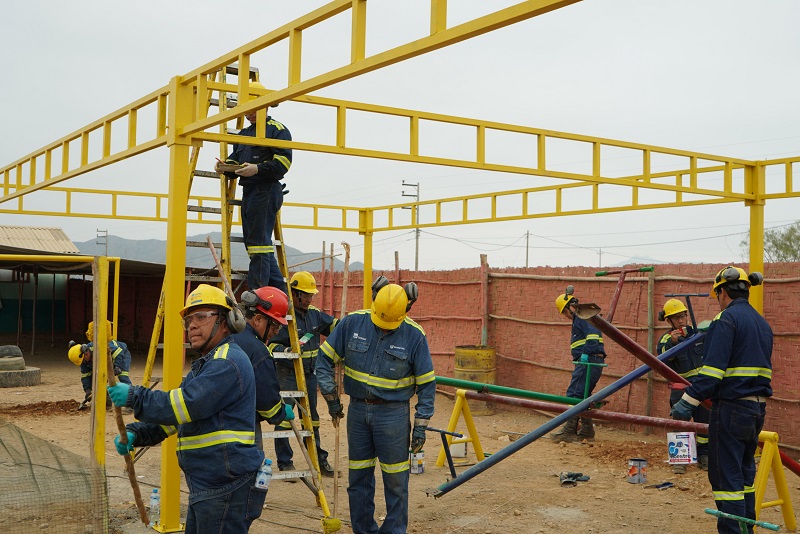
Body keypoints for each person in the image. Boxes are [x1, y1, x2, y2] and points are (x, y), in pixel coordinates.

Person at [107, 284, 266, 533]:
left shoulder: (227, 362)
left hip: (226, 487)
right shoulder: (206, 365)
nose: (192, 325)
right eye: (189, 320)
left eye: (201, 317)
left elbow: (186, 404)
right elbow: (178, 419)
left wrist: (134, 397)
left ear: (227, 322)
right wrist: (138, 433)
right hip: (210, 484)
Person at [317, 277, 434, 534]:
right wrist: (331, 398)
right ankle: (363, 530)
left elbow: (427, 385)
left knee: (395, 481)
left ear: (407, 311)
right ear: (373, 302)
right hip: (358, 412)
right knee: (358, 478)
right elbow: (323, 360)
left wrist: (421, 427)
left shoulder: (415, 336)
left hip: (393, 415)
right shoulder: (352, 323)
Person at [671, 266, 772, 534]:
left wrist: (687, 402)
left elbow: (712, 373)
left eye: (717, 295)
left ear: (723, 292)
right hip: (757, 409)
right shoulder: (762, 324)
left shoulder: (725, 320)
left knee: (726, 478)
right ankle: (746, 528)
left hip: (731, 409)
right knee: (744, 473)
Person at [214, 81, 291, 293]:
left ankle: (258, 294)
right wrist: (224, 167)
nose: (247, 113)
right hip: (249, 192)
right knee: (256, 245)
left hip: (266, 191)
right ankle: (278, 292)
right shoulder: (243, 136)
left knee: (259, 244)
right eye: (244, 108)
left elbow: (283, 163)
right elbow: (235, 160)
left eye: (251, 108)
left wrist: (257, 169)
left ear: (263, 105)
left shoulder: (278, 130)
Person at [267, 271, 338, 477]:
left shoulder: (315, 314)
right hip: (287, 374)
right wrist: (286, 353)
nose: (309, 299)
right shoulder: (285, 316)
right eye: (305, 295)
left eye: (311, 295)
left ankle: (317, 459)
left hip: (309, 374)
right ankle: (284, 461)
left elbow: (334, 326)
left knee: (312, 419)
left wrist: (347, 327)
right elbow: (271, 346)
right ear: (295, 293)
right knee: (284, 419)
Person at [233, 286, 295, 451]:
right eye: (275, 326)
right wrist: (281, 412)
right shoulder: (258, 351)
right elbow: (268, 405)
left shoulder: (229, 335)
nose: (276, 332)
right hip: (244, 427)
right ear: (258, 319)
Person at [657, 298, 710, 473]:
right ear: (669, 321)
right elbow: (663, 359)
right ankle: (680, 459)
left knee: (705, 423)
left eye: (682, 316)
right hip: (681, 390)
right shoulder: (666, 339)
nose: (680, 321)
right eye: (676, 318)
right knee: (680, 422)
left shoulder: (698, 333)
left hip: (702, 388)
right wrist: (673, 344)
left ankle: (705, 456)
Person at [549, 288, 606, 442]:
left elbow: (593, 336)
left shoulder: (581, 316)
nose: (565, 316)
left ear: (569, 307)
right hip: (590, 361)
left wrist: (585, 354)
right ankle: (587, 430)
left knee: (574, 394)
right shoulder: (581, 318)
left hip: (588, 361)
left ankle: (569, 430)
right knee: (584, 396)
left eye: (564, 312)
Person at [68, 321, 133, 414]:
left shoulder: (98, 346)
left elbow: (118, 352)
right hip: (107, 359)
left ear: (85, 352)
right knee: (101, 379)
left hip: (122, 354)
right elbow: (86, 376)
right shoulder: (83, 359)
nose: (84, 363)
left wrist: (118, 366)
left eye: (84, 360)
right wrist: (88, 391)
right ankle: (106, 404)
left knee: (123, 376)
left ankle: (131, 404)